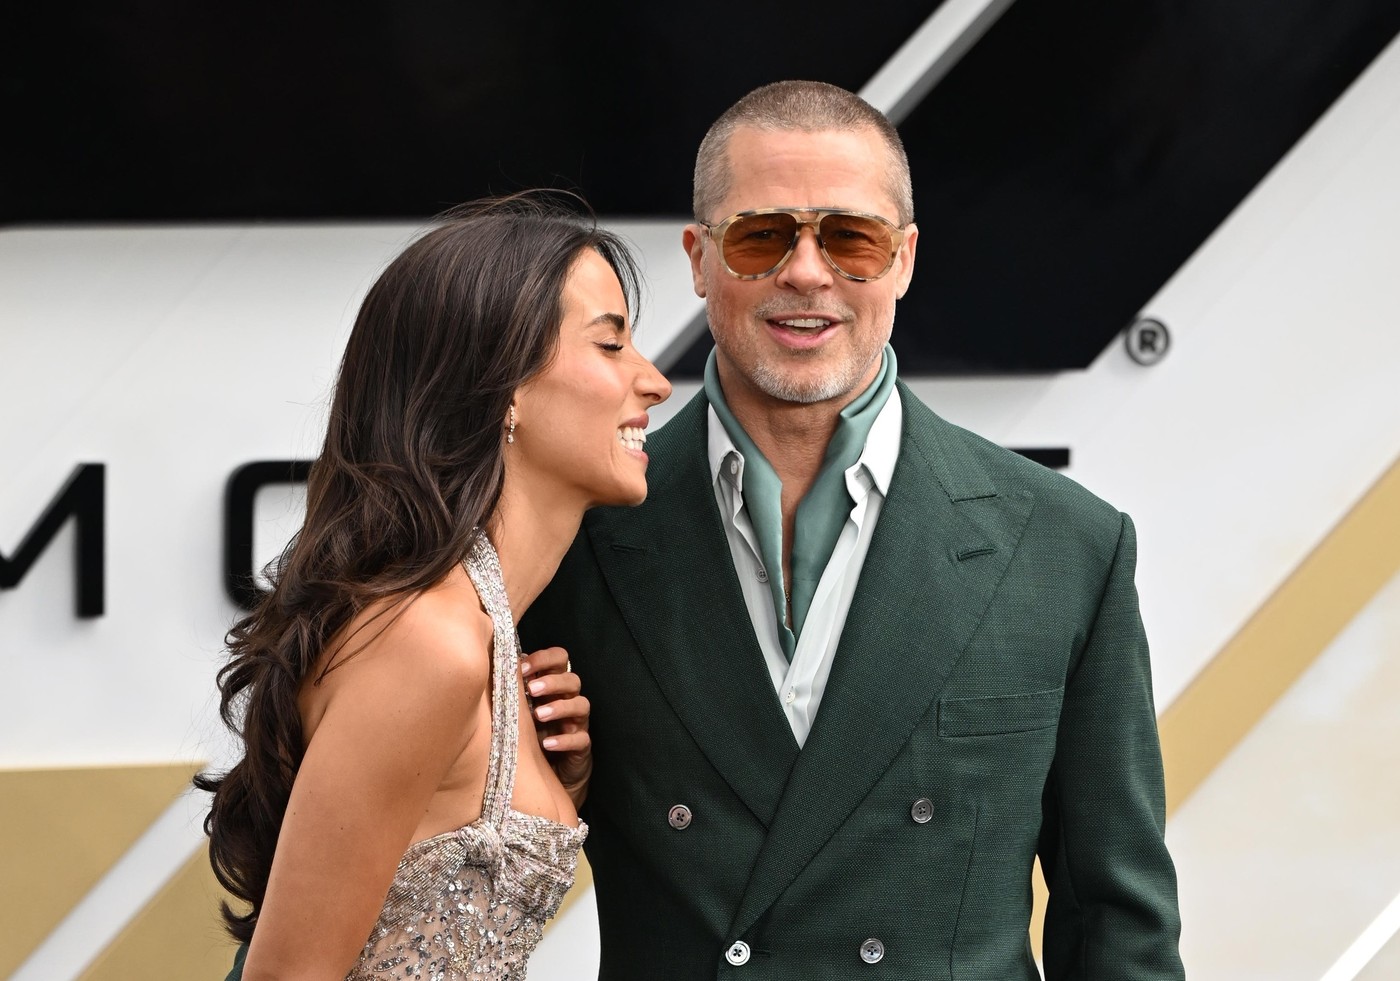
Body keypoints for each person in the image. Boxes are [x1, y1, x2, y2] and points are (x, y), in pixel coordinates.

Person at [520, 81, 1185, 979]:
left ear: (903, 258)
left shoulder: (1067, 547)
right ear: (699, 258)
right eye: (762, 236)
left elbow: (1119, 929)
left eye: (851, 238)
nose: (805, 272)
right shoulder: (572, 538)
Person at [199, 192, 671, 980]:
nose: (654, 381)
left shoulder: (482, 632)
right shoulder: (430, 638)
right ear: (504, 383)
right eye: (611, 344)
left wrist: (553, 784)